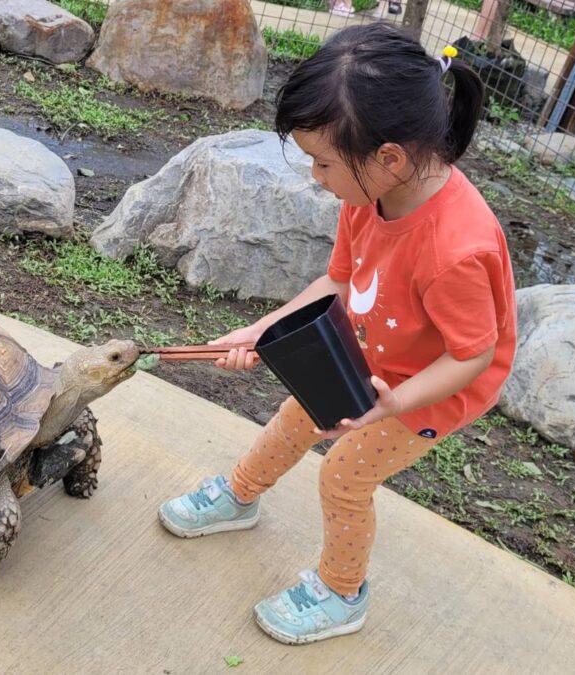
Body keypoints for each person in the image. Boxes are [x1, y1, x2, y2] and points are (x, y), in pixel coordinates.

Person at [158, 25, 517, 645]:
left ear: (390, 157)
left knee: (345, 476)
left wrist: (392, 404)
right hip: (376, 352)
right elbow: (341, 284)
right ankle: (241, 496)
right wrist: (259, 329)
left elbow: (473, 353)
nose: (316, 176)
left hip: (430, 387)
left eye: (323, 162)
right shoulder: (368, 194)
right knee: (297, 412)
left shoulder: (457, 249)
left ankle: (342, 592)